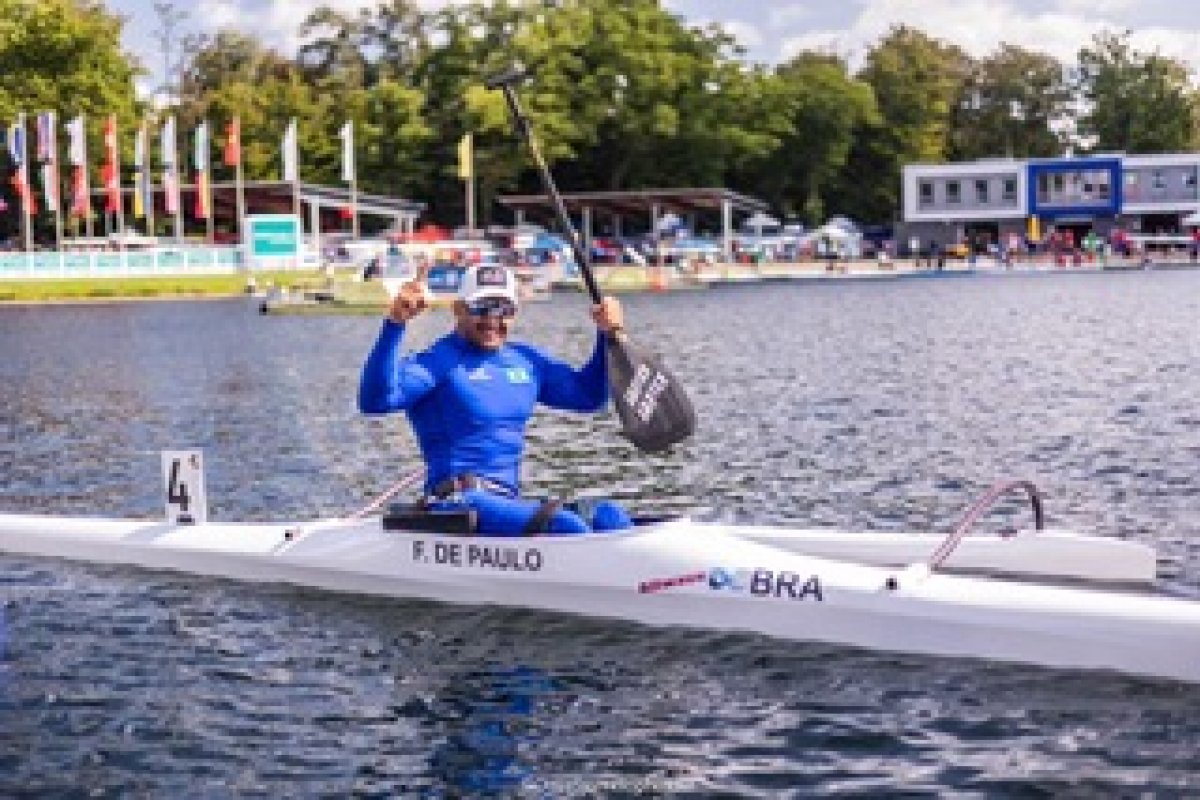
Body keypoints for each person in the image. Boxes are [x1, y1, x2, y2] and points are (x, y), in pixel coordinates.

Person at [358, 263, 632, 536]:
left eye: (504, 310)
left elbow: (590, 396)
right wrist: (395, 323)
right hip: (455, 504)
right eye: (482, 308)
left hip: (505, 502)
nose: (493, 320)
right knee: (566, 526)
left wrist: (607, 335)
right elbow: (376, 400)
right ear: (458, 309)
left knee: (609, 516)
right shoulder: (438, 361)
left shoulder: (526, 361)